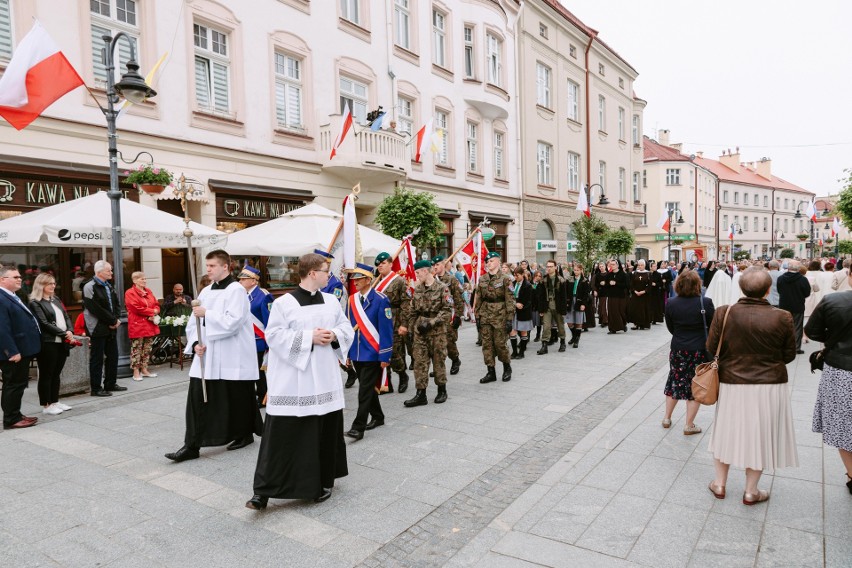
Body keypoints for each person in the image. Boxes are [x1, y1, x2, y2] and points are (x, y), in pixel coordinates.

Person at [246, 253, 355, 509]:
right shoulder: (284, 303)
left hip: (325, 377)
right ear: (313, 273)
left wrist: (333, 334)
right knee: (281, 433)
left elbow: (346, 327)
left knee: (324, 430)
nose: (329, 275)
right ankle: (264, 490)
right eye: (326, 270)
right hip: (294, 379)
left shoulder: (331, 301)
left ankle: (322, 481)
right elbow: (273, 335)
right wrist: (309, 338)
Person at [706, 267, 798, 505]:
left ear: (741, 287)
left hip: (732, 382)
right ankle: (751, 491)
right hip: (769, 384)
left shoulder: (724, 312)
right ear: (768, 290)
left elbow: (710, 347)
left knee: (725, 432)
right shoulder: (783, 316)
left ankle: (720, 484)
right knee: (760, 436)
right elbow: (788, 355)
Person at [165, 250, 263, 463]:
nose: (208, 269)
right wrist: (195, 343)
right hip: (208, 357)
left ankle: (243, 434)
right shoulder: (206, 292)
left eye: (212, 266)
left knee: (237, 397)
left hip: (232, 354)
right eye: (207, 266)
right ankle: (191, 445)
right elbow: (194, 324)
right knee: (198, 399)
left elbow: (233, 322)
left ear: (225, 266)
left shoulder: (237, 290)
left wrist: (207, 314)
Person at [804, 269, 852, 495]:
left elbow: (812, 331)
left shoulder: (833, 300)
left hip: (841, 369)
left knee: (843, 425)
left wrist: (833, 337)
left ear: (850, 275)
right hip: (842, 366)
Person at [343, 262, 392, 440]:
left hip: (372, 352)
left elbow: (386, 330)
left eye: (358, 278)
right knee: (368, 388)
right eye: (353, 278)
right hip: (357, 353)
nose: (354, 281)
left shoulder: (381, 299)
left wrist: (385, 355)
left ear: (368, 279)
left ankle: (358, 427)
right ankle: (378, 416)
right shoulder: (352, 300)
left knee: (363, 390)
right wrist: (348, 354)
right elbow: (349, 328)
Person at [662, 270, 714, 434]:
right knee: (695, 385)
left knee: (675, 381)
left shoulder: (670, 302)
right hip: (698, 349)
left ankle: (667, 418)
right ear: (697, 284)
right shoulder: (705, 303)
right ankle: (689, 424)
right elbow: (712, 326)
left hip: (678, 348)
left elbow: (670, 326)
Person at [404, 259, 452, 407]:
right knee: (419, 362)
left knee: (438, 361)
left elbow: (447, 311)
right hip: (420, 332)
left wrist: (431, 323)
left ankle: (442, 390)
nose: (417, 276)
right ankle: (421, 394)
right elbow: (412, 311)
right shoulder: (418, 290)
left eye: (418, 273)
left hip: (437, 332)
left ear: (426, 271)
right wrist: (412, 329)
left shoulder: (442, 288)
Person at [1, 266, 42, 429]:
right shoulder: (1, 298)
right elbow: (2, 329)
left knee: (18, 384)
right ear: (3, 280)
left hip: (23, 348)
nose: (20, 279)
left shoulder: (12, 296)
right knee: (13, 384)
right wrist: (11, 351)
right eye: (15, 277)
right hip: (14, 352)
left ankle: (15, 414)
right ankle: (11, 419)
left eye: (19, 277)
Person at [29, 273, 75, 415]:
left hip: (61, 342)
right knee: (46, 374)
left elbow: (66, 316)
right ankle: (46, 405)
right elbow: (44, 323)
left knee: (56, 373)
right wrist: (63, 333)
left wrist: (70, 330)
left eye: (54, 283)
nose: (53, 286)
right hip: (48, 342)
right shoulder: (35, 302)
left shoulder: (55, 299)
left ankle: (55, 401)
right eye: (49, 284)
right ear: (41, 285)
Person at [82, 261, 125, 397]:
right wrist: (112, 320)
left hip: (111, 326)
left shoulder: (108, 286)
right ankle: (96, 388)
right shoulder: (89, 286)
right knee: (97, 358)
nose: (111, 273)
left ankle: (110, 383)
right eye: (108, 271)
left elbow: (117, 304)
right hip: (97, 327)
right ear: (99, 272)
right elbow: (94, 308)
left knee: (113, 356)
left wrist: (117, 319)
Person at [373, 251, 411, 393]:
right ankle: (386, 382)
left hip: (394, 320)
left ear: (390, 264)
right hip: (379, 321)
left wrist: (404, 324)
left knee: (395, 352)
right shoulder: (376, 282)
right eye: (378, 264)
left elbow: (406, 303)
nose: (380, 266)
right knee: (382, 351)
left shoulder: (399, 281)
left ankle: (402, 375)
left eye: (383, 263)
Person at [238, 265, 274, 408]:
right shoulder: (242, 295)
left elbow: (270, 320)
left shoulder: (264, 296)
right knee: (248, 369)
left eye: (243, 279)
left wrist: (270, 342)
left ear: (253, 281)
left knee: (259, 371)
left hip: (258, 340)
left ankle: (262, 395)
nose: (240, 281)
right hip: (245, 339)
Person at [475, 252, 514, 382]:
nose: (489, 263)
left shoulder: (505, 278)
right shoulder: (482, 279)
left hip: (500, 315)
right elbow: (479, 298)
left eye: (491, 261)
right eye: (487, 261)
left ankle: (507, 368)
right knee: (487, 345)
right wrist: (477, 316)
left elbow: (510, 299)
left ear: (498, 262)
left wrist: (509, 319)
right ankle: (491, 372)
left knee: (500, 343)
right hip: (485, 314)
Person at [125, 272, 161, 382]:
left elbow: (156, 303)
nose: (144, 281)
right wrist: (152, 312)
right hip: (137, 324)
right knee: (137, 349)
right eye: (142, 279)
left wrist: (155, 311)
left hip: (149, 324)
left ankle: (144, 369)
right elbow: (136, 308)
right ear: (134, 281)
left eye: (145, 279)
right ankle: (136, 371)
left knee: (147, 348)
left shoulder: (148, 291)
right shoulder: (130, 293)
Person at [432, 256, 463, 376]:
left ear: (443, 265)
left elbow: (458, 299)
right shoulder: (432, 280)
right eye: (434, 265)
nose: (435, 267)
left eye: (438, 264)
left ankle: (455, 360)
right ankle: (438, 367)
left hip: (449, 315)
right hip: (436, 315)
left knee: (449, 342)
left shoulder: (452, 279)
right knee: (436, 344)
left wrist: (458, 316)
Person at [776, 260, 810, 354]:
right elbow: (807, 292)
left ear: (788, 267)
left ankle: (783, 346)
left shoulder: (781, 278)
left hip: (784, 305)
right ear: (799, 268)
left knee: (784, 327)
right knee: (798, 327)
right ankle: (796, 347)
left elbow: (779, 290)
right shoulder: (803, 279)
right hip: (798, 305)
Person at [535, 259, 568, 353]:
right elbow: (540, 296)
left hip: (558, 305)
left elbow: (563, 296)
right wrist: (541, 309)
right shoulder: (543, 280)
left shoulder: (561, 280)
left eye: (550, 266)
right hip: (547, 305)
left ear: (555, 267)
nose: (548, 268)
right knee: (546, 326)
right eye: (547, 266)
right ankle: (544, 346)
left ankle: (562, 342)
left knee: (560, 325)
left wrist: (563, 310)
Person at [565, 262, 590, 348]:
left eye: (577, 270)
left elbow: (586, 294)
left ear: (581, 270)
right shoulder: (569, 279)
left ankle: (577, 340)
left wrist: (583, 304)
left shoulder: (584, 280)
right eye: (574, 270)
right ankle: (574, 336)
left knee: (579, 321)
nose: (575, 272)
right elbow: (566, 291)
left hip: (579, 301)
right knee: (570, 322)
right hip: (570, 301)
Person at [509, 266, 533, 359]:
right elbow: (509, 296)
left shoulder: (528, 285)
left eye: (517, 275)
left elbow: (529, 300)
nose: (515, 277)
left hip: (524, 312)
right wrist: (515, 304)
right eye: (514, 275)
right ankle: (514, 352)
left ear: (522, 274)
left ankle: (522, 352)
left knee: (523, 332)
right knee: (512, 332)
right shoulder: (513, 284)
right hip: (514, 311)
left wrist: (522, 305)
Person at [604, 259, 630, 334]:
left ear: (618, 265)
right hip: (611, 296)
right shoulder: (609, 275)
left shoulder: (623, 274)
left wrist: (616, 283)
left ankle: (623, 325)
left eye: (614, 264)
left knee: (620, 312)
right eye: (611, 264)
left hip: (620, 296)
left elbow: (626, 285)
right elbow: (606, 285)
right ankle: (612, 328)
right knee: (612, 312)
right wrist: (609, 283)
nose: (612, 266)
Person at [628, 259, 652, 330]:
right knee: (635, 309)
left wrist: (644, 291)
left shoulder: (648, 273)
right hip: (636, 294)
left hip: (644, 295)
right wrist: (635, 291)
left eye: (642, 265)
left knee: (643, 309)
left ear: (645, 265)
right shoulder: (634, 273)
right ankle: (636, 324)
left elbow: (650, 285)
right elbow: (631, 284)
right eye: (639, 265)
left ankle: (643, 324)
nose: (640, 266)